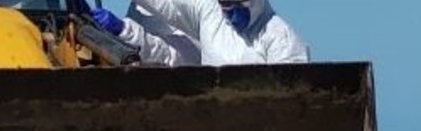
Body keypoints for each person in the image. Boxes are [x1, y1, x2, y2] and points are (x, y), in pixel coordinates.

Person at [89, 0, 309, 67]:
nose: (229, 10)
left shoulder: (282, 39)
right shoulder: (211, 14)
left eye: (236, 3)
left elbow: (293, 102)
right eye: (225, 3)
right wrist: (123, 29)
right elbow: (167, 4)